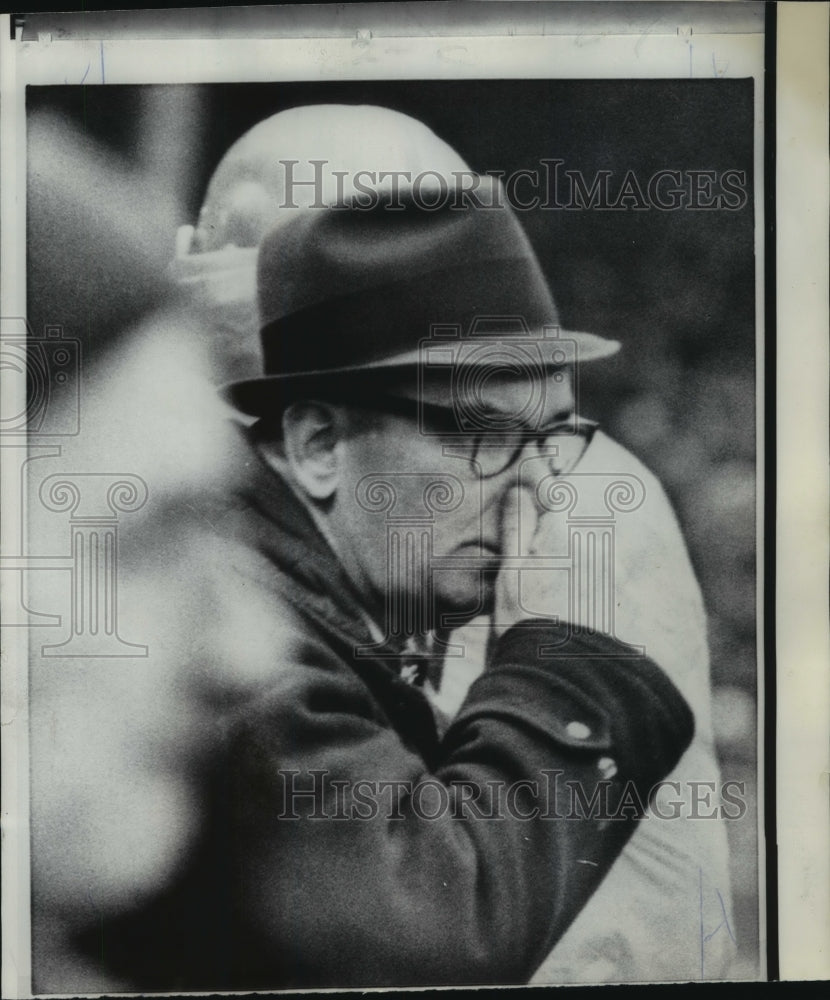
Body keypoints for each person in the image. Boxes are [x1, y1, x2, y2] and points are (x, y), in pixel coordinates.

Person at [29, 106, 734, 991]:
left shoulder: (369, 570)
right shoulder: (234, 603)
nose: (539, 490)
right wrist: (571, 662)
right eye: (482, 437)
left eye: (552, 441)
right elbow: (425, 927)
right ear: (319, 445)